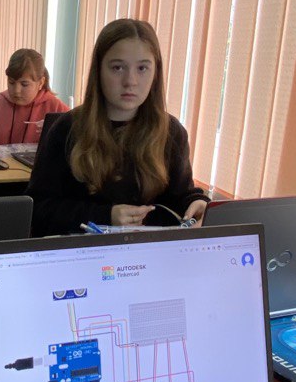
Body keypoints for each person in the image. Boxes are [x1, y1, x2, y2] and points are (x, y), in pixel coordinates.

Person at [27, 18, 208, 236]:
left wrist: (197, 203)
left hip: (147, 252)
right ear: (99, 71)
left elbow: (180, 197)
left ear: (155, 73)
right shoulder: (67, 129)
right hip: (82, 252)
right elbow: (38, 209)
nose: (130, 81)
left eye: (142, 68)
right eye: (118, 68)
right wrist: (106, 216)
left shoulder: (171, 132)